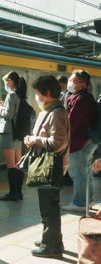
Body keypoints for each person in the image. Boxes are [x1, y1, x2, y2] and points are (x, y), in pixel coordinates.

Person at [23, 75, 69, 258]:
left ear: (48, 93)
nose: (36, 96)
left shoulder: (57, 112)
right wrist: (32, 140)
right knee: (48, 207)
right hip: (46, 165)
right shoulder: (50, 110)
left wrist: (36, 139)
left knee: (49, 208)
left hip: (51, 167)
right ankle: (51, 239)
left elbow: (58, 142)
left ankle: (51, 247)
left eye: (38, 93)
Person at [62, 70, 97, 212]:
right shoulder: (82, 97)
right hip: (86, 141)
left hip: (80, 142)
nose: (69, 82)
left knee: (78, 173)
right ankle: (87, 200)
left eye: (73, 80)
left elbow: (72, 122)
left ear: (82, 84)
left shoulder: (81, 99)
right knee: (86, 172)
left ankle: (80, 203)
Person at [0, 71, 26, 201]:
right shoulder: (20, 94)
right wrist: (3, 107)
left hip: (9, 132)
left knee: (11, 164)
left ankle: (13, 193)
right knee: (18, 163)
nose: (4, 84)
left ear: (10, 81)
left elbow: (8, 115)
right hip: (17, 133)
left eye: (5, 82)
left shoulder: (11, 95)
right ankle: (18, 192)